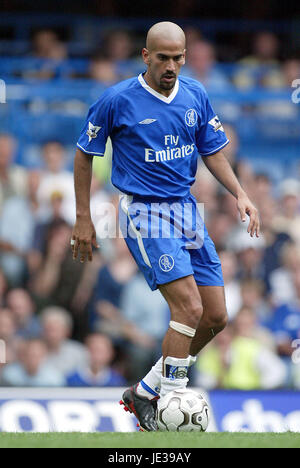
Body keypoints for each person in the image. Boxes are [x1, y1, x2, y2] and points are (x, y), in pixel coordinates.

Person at [71, 22, 260, 432]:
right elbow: (85, 154)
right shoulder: (117, 99)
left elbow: (213, 150)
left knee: (215, 315)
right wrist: (84, 217)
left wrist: (240, 193)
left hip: (188, 210)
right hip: (144, 211)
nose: (171, 65)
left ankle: (146, 389)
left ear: (185, 56)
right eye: (163, 58)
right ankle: (170, 402)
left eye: (178, 57)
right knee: (189, 307)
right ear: (146, 56)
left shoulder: (195, 94)